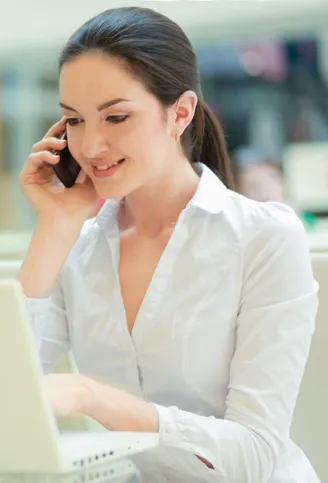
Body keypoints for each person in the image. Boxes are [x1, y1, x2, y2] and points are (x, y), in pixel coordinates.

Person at [18, 7, 318, 483]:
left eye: (116, 117)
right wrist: (56, 223)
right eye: (74, 121)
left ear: (180, 113)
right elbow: (3, 386)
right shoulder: (77, 251)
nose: (91, 146)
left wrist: (92, 398)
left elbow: (255, 454)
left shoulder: (263, 237)